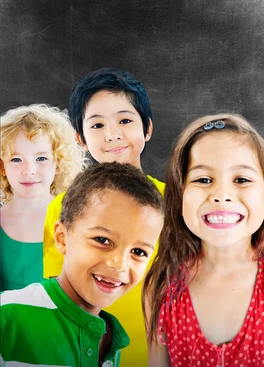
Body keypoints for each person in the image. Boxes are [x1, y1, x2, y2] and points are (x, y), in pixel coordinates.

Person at [144, 114, 264, 366]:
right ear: (179, 199)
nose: (221, 195)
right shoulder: (163, 283)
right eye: (203, 180)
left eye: (241, 180)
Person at [42, 68, 164, 366]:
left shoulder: (176, 200)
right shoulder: (61, 207)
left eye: (125, 120)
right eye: (96, 125)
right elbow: (58, 295)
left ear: (147, 128)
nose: (112, 134)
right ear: (80, 138)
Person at [0, 162, 164, 366]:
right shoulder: (7, 316)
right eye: (102, 240)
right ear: (61, 238)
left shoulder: (114, 341)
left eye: (138, 252)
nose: (120, 264)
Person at [0, 104, 86, 291]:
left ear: (59, 163)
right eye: (16, 159)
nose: (29, 171)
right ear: (2, 166)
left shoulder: (78, 221)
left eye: (41, 159)